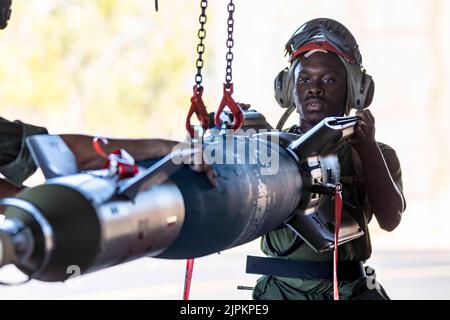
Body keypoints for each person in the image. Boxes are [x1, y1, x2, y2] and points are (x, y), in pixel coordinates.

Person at [252, 18, 406, 300]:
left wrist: (367, 147)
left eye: (330, 79)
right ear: (287, 90)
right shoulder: (268, 150)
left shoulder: (377, 154)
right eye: (304, 79)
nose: (314, 88)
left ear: (356, 91)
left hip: (347, 291)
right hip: (279, 292)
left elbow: (390, 219)